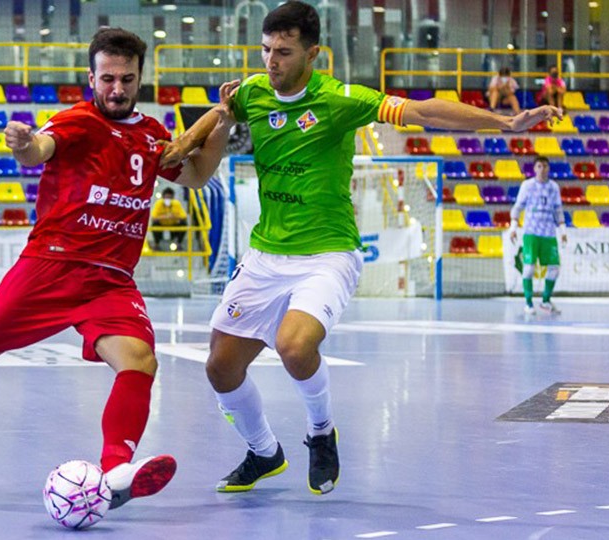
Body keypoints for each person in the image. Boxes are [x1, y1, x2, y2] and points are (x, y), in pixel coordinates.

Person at [163, 0, 562, 496]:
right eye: (265, 50)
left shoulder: (339, 99)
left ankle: (320, 431)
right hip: (266, 254)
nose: (271, 61)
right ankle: (264, 453)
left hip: (328, 254)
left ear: (314, 55)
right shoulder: (252, 93)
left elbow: (420, 111)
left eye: (284, 52)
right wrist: (185, 145)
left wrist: (503, 123)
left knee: (294, 345)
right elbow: (218, 117)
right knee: (220, 368)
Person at [0, 27, 233, 510]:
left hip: (111, 280)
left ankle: (116, 468)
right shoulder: (78, 121)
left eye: (126, 78)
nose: (116, 88)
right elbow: (40, 149)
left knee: (140, 361)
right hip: (50, 269)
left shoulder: (150, 135)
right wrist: (22, 143)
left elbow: (199, 174)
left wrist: (222, 121)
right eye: (107, 79)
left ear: (140, 77)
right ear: (91, 78)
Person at [510, 156, 567, 316]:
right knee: (528, 269)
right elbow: (517, 207)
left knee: (554, 268)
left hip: (548, 233)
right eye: (539, 166)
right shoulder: (527, 186)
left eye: (545, 166)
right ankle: (528, 303)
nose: (542, 170)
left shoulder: (553, 187)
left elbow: (558, 210)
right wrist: (513, 227)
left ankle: (546, 300)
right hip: (531, 233)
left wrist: (563, 230)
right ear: (535, 169)